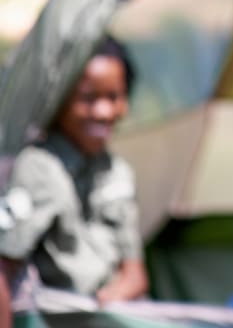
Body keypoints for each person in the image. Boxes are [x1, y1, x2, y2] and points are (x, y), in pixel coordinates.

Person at [0, 34, 148, 315]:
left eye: (113, 97)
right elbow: (3, 270)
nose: (103, 112)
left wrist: (110, 302)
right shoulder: (39, 169)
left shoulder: (116, 172)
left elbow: (135, 274)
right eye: (88, 98)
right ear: (58, 103)